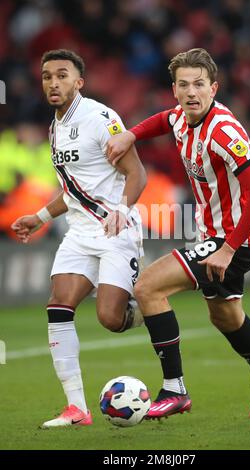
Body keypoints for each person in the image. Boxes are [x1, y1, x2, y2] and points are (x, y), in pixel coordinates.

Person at [107, 48, 250, 419]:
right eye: (183, 85)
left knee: (148, 288)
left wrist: (227, 249)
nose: (191, 92)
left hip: (232, 241)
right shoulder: (180, 116)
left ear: (214, 88)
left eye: (199, 84)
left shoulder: (224, 132)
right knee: (225, 317)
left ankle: (174, 389)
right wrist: (130, 134)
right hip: (214, 237)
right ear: (174, 89)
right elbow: (163, 120)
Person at [11, 49, 147, 428]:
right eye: (47, 76)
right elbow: (72, 190)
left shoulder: (102, 119)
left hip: (115, 228)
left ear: (79, 82)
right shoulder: (55, 126)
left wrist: (122, 208)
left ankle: (150, 306)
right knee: (58, 305)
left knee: (109, 317)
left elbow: (137, 174)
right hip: (79, 232)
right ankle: (77, 409)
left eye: (62, 76)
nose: (53, 83)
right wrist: (38, 217)